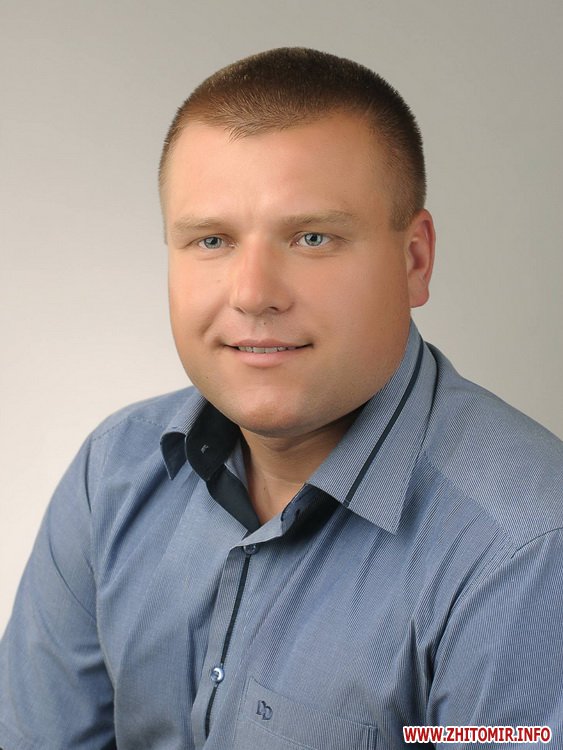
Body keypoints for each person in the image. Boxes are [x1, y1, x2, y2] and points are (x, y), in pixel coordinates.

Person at [1, 47, 562, 750]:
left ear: (414, 260)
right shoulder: (112, 473)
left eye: (312, 237)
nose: (253, 293)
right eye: (212, 240)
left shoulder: (525, 548)